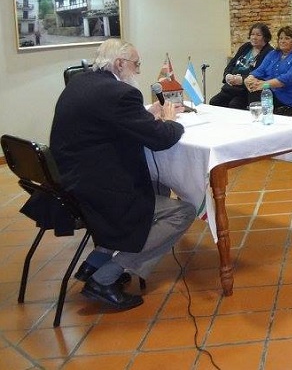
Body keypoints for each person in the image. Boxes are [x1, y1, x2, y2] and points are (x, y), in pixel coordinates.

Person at [49, 39, 194, 311]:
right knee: (183, 212)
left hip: (71, 179)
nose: (138, 71)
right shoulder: (119, 93)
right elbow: (160, 140)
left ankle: (95, 262)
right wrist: (171, 122)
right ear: (119, 64)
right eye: (136, 65)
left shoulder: (80, 82)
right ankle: (106, 277)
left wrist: (145, 114)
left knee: (157, 186)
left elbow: (112, 120)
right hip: (99, 190)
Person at [245, 25, 292, 115]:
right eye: (280, 38)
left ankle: (260, 120)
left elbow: (287, 79)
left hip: (287, 95)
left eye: (287, 38)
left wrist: (264, 84)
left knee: (257, 92)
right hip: (269, 90)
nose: (282, 41)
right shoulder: (273, 54)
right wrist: (249, 79)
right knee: (245, 92)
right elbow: (260, 70)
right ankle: (257, 119)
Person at [209, 23, 273, 109]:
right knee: (214, 102)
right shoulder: (246, 47)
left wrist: (241, 79)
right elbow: (231, 65)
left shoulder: (269, 52)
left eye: (258, 35)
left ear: (265, 37)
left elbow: (260, 74)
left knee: (234, 104)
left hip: (247, 90)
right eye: (252, 34)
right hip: (231, 87)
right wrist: (227, 75)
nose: (254, 37)